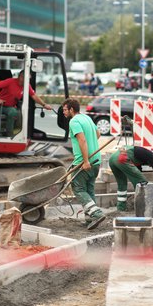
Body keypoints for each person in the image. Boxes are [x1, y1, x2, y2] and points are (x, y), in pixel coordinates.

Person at [62, 98, 106, 229]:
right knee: (89, 190)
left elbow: (81, 140)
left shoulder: (74, 121)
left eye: (65, 110)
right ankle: (90, 219)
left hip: (84, 162)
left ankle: (96, 214)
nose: (63, 112)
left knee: (79, 189)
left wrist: (85, 160)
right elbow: (97, 134)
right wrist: (90, 144)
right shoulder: (87, 118)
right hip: (96, 160)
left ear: (71, 109)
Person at [0, 70, 52, 137]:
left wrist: (44, 105)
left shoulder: (27, 86)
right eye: (27, 78)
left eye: (29, 79)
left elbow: (34, 96)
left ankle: (9, 133)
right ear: (20, 77)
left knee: (12, 112)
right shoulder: (10, 81)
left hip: (10, 107)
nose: (28, 80)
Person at [109, 146, 153, 211]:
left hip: (112, 159)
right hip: (121, 158)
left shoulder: (141, 156)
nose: (152, 165)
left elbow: (138, 172)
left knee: (122, 184)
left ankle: (121, 208)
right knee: (142, 182)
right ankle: (142, 208)